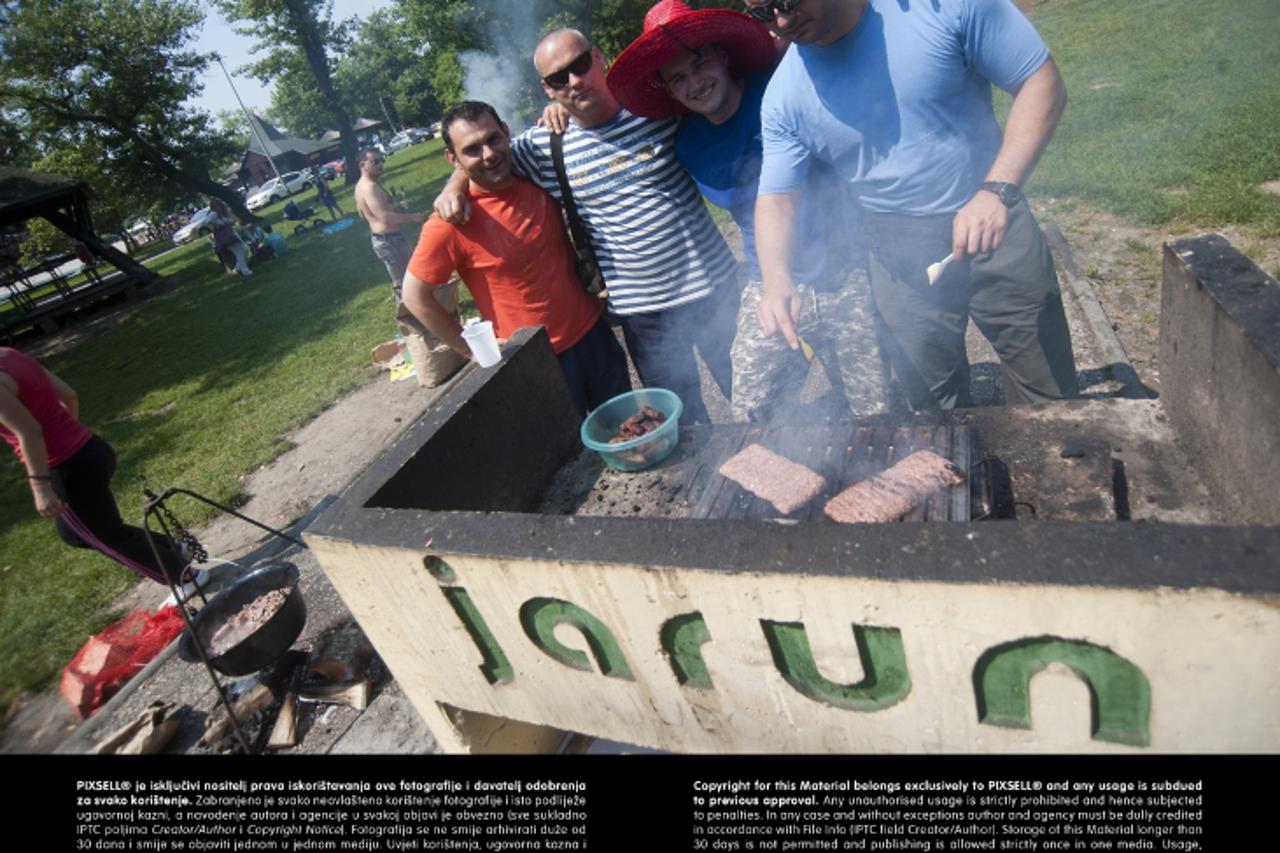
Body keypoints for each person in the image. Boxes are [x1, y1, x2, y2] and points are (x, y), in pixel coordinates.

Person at [748, 0, 1079, 410]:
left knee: (1049, 397)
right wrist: (776, 279)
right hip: (895, 248)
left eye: (786, 1)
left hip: (995, 217)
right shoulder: (783, 97)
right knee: (933, 410)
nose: (781, 21)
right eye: (763, 12)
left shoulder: (942, 8)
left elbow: (1040, 82)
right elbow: (777, 198)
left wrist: (996, 189)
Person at [604, 0, 892, 422]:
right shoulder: (688, 144)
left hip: (844, 269)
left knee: (874, 408)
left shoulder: (780, 87)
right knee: (751, 408)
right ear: (669, 91)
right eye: (679, 78)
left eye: (700, 64)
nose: (695, 83)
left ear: (722, 57)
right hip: (768, 280)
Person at [435, 28, 740, 425]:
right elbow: (486, 156)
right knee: (682, 425)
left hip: (715, 290)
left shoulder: (655, 108)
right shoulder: (545, 145)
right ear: (547, 88)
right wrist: (454, 183)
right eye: (559, 78)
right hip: (642, 314)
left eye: (580, 65)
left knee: (756, 396)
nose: (575, 81)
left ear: (599, 57)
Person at [403, 101, 631, 417]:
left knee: (628, 428)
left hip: (595, 334)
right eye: (472, 150)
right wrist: (470, 349)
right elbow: (414, 296)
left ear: (506, 131)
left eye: (493, 139)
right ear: (453, 159)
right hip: (534, 359)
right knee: (571, 447)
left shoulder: (537, 175)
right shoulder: (451, 221)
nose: (488, 154)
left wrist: (558, 106)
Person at [0, 348, 185, 586]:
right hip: (91, 448)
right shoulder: (9, 355)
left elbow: (29, 431)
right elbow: (69, 396)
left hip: (67, 465)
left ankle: (185, 577)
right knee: (89, 531)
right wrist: (68, 434)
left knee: (98, 534)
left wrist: (40, 487)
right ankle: (177, 550)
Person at [355, 147, 465, 387]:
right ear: (362, 164)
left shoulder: (365, 186)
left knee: (411, 284)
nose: (380, 165)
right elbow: (384, 219)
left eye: (381, 160)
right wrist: (412, 217)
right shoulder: (369, 187)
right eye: (375, 161)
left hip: (390, 240)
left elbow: (370, 214)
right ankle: (415, 328)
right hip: (389, 242)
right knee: (406, 288)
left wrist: (397, 210)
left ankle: (423, 323)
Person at [208, 197, 251, 277]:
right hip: (225, 237)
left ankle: (238, 268)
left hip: (231, 234)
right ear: (214, 206)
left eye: (220, 205)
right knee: (239, 252)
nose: (220, 207)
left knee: (244, 249)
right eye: (218, 205)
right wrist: (216, 225)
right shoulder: (213, 214)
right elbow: (207, 222)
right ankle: (245, 270)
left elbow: (231, 220)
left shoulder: (220, 214)